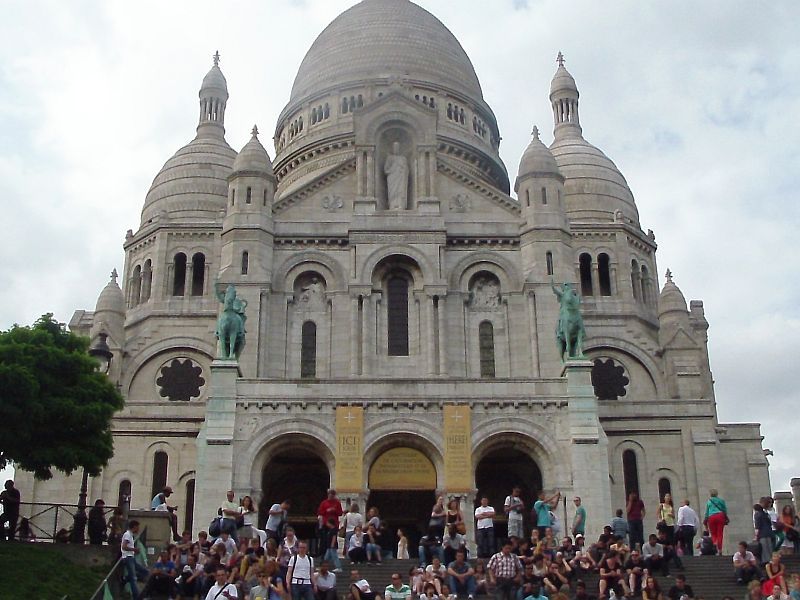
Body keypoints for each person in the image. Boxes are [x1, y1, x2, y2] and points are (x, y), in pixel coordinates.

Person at [121, 520, 149, 600]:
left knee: (145, 571)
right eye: (138, 527)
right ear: (134, 527)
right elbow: (124, 546)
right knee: (133, 578)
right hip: (128, 557)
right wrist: (134, 549)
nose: (138, 529)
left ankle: (126, 579)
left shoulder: (130, 535)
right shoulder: (127, 535)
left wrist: (134, 551)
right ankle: (137, 597)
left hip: (131, 557)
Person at [317, 489, 343, 558]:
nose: (331, 496)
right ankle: (323, 553)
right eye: (330, 494)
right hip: (326, 523)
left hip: (334, 524)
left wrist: (335, 510)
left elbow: (340, 513)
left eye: (332, 495)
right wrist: (327, 510)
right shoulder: (324, 503)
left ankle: (332, 554)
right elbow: (320, 512)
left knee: (333, 539)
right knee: (324, 539)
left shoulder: (337, 503)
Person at [703, 489, 728, 554]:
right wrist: (725, 517)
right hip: (720, 516)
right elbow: (724, 510)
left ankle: (715, 543)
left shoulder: (709, 501)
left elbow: (707, 512)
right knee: (720, 533)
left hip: (711, 517)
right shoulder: (721, 500)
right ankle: (720, 549)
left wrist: (705, 520)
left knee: (713, 534)